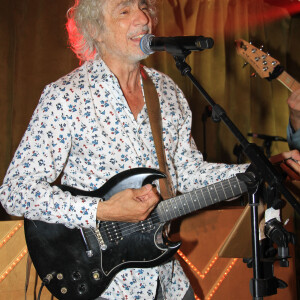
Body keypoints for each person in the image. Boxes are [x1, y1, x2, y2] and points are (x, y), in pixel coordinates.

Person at [0, 1, 248, 299]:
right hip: (106, 285)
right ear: (95, 29)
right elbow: (15, 191)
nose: (143, 19)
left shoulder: (167, 91)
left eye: (143, 7)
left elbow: (187, 172)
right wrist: (102, 210)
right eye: (124, 10)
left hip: (166, 278)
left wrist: (258, 171)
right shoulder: (66, 96)